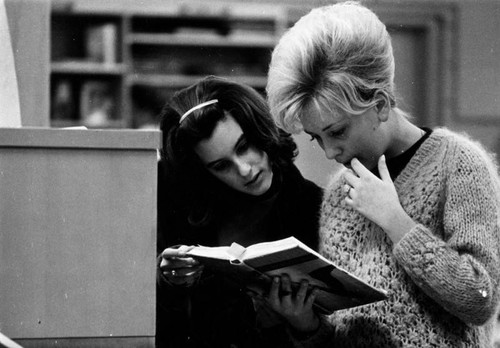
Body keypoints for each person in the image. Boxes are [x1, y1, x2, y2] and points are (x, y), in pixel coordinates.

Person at [266, 1, 500, 347]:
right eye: (317, 138)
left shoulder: (459, 164)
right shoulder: (339, 193)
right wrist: (306, 326)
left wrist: (397, 223)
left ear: (379, 104)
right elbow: (343, 335)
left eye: (338, 131)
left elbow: (480, 298)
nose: (331, 153)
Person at [156, 76, 325, 348]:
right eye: (222, 166)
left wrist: (305, 324)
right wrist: (167, 279)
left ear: (261, 129)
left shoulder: (313, 206)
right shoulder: (184, 204)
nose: (244, 170)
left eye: (244, 146)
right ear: (205, 173)